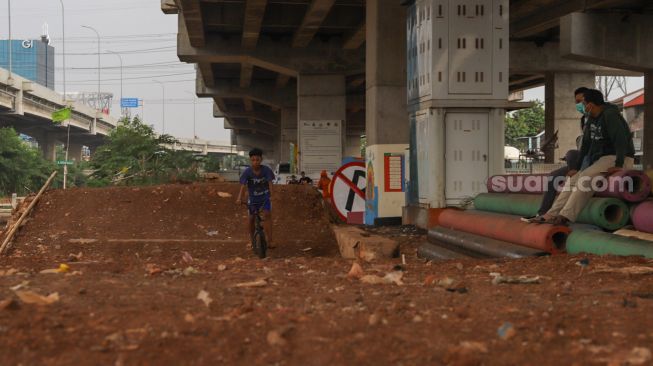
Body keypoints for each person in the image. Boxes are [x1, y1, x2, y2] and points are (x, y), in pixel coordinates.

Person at [541, 89, 635, 226]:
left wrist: (619, 164)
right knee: (573, 179)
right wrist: (576, 168)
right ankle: (551, 214)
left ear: (590, 104)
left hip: (619, 156)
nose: (582, 106)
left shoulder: (610, 115)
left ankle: (564, 216)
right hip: (602, 159)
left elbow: (620, 141)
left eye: (583, 103)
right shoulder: (591, 118)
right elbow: (585, 145)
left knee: (586, 176)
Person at [523, 87, 589, 223]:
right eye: (576, 102)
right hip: (581, 161)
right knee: (554, 175)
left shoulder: (603, 118)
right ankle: (541, 213)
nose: (579, 105)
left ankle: (560, 215)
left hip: (592, 161)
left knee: (571, 157)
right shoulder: (581, 133)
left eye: (581, 101)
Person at [236, 148, 275, 248]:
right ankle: (252, 241)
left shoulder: (266, 170)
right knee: (251, 218)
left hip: (265, 197)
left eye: (257, 160)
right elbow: (243, 186)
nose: (255, 162)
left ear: (261, 159)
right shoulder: (247, 172)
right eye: (253, 160)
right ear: (250, 160)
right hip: (253, 199)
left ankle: (270, 241)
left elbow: (270, 183)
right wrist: (239, 198)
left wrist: (272, 196)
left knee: (267, 215)